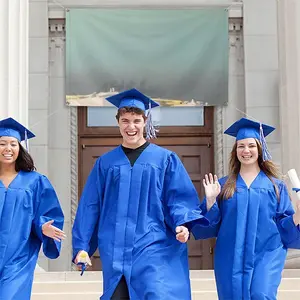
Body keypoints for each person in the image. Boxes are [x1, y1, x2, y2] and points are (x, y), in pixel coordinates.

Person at [72, 88, 214, 300]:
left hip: (154, 246)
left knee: (155, 293)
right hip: (116, 250)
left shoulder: (165, 160)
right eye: (126, 120)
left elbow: (178, 198)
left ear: (145, 121)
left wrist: (183, 223)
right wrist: (82, 247)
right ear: (118, 122)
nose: (131, 126)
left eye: (137, 120)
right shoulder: (106, 163)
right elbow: (91, 206)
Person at [192, 118, 300, 300]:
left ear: (260, 148)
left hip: (267, 252)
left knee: (261, 294)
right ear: (235, 151)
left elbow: (285, 226)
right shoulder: (224, 185)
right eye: (241, 146)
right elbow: (209, 226)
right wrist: (210, 201)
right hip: (230, 254)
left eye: (251, 145)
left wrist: (298, 215)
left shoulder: (276, 186)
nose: (246, 151)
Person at [0, 117, 65, 300]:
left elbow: (47, 212)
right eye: (2, 143)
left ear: (20, 148)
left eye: (13, 144)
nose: (8, 149)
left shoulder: (35, 181)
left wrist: (42, 226)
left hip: (18, 258)